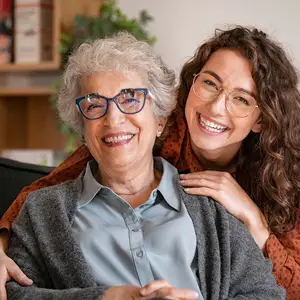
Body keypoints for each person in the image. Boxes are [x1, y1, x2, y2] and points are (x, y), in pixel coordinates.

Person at [1, 25, 298, 298]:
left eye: (130, 99)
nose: (114, 119)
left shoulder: (227, 209)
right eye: (95, 104)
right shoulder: (45, 210)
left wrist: (255, 222)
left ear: (160, 120)